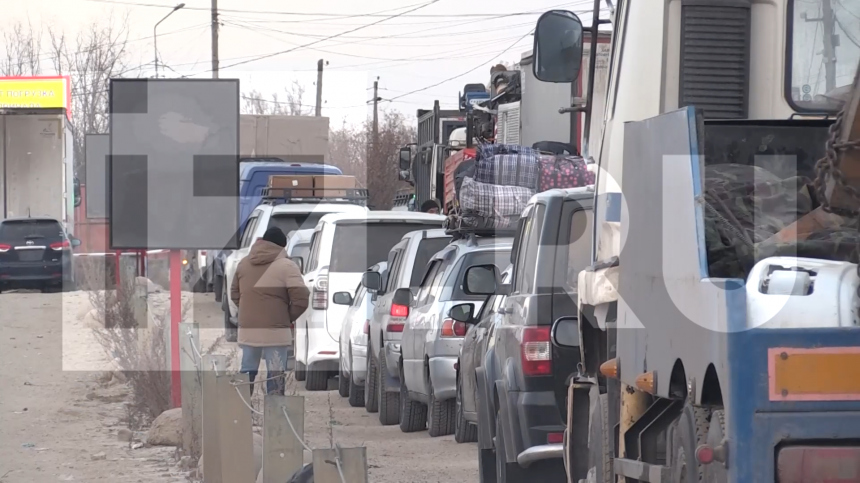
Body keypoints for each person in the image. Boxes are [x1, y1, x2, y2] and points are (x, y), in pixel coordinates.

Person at [230, 227, 309, 397]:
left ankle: (240, 413)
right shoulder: (287, 266)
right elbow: (301, 299)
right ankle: (275, 416)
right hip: (276, 331)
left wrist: (248, 312)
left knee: (247, 371)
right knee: (275, 373)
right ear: (281, 246)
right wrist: (287, 317)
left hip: (249, 329)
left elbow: (235, 295)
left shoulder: (243, 263)